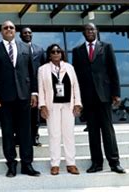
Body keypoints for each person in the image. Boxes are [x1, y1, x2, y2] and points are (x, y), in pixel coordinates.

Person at [0, 20, 40, 177]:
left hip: (24, 96)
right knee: (8, 132)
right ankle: (11, 164)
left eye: (11, 27)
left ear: (15, 31)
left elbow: (32, 72)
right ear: (1, 32)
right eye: (5, 28)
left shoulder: (25, 47)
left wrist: (34, 93)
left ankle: (27, 164)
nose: (9, 29)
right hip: (4, 98)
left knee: (26, 132)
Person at [72, 23, 125, 174]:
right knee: (93, 131)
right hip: (87, 97)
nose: (90, 31)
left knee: (108, 130)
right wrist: (77, 99)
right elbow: (76, 77)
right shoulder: (77, 51)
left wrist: (116, 93)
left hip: (104, 95)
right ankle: (96, 163)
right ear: (83, 33)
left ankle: (114, 162)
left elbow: (113, 70)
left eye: (92, 29)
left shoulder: (106, 47)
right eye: (87, 30)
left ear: (97, 31)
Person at [38, 44, 82, 176]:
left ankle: (71, 163)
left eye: (58, 51)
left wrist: (77, 103)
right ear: (49, 54)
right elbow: (41, 89)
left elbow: (75, 86)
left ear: (62, 53)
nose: (56, 53)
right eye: (53, 51)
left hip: (68, 105)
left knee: (69, 134)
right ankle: (55, 164)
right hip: (52, 106)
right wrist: (43, 105)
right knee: (54, 134)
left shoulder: (69, 67)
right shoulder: (43, 69)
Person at [20, 27, 46, 146]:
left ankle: (35, 136)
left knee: (35, 113)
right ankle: (20, 137)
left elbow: (44, 68)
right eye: (24, 33)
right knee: (21, 113)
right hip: (21, 85)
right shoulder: (17, 48)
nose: (27, 34)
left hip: (36, 86)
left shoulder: (39, 50)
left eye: (29, 33)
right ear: (20, 36)